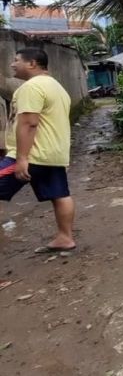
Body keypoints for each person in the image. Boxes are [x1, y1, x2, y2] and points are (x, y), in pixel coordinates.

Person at [0, 48, 74, 252]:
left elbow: (29, 123)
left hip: (31, 155)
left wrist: (22, 158)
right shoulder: (57, 87)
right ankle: (65, 238)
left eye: (16, 60)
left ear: (32, 63)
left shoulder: (31, 87)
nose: (12, 64)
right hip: (53, 155)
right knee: (60, 194)